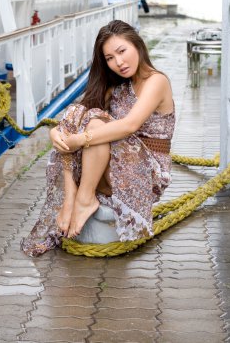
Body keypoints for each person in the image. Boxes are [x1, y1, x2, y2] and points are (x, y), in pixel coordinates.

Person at [21, 20, 175, 257]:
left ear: (138, 45)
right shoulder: (117, 87)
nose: (118, 63)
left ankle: (82, 197)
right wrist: (55, 133)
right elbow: (77, 112)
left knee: (94, 123)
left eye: (122, 51)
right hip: (118, 167)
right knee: (80, 113)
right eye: (110, 58)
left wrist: (82, 138)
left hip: (148, 172)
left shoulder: (156, 81)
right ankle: (74, 195)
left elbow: (129, 125)